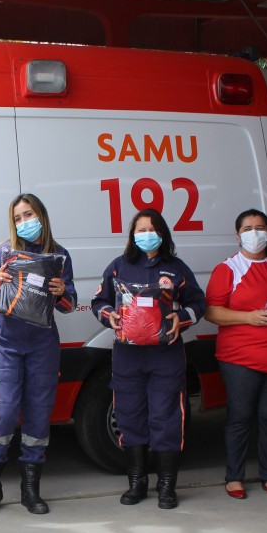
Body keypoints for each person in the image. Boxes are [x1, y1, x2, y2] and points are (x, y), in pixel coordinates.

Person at [90, 208, 205, 509]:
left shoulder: (176, 268)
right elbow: (99, 301)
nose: (146, 235)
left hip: (165, 356)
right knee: (130, 418)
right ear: (132, 235)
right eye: (140, 230)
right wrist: (109, 315)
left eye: (152, 229)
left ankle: (167, 486)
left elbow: (198, 302)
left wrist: (182, 317)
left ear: (163, 234)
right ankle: (136, 482)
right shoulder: (118, 267)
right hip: (128, 357)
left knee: (166, 419)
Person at [0, 194, 76, 516]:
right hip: (6, 342)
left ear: (41, 216)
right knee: (3, 414)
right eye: (18, 218)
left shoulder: (59, 255)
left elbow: (71, 304)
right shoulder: (4, 251)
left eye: (28, 214)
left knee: (38, 416)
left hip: (42, 345)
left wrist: (62, 293)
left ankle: (30, 490)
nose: (24, 222)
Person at [205, 209, 267, 500]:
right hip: (240, 358)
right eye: (248, 227)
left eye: (260, 227)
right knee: (241, 416)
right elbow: (212, 312)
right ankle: (234, 477)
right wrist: (249, 318)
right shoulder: (229, 268)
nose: (254, 232)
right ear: (238, 234)